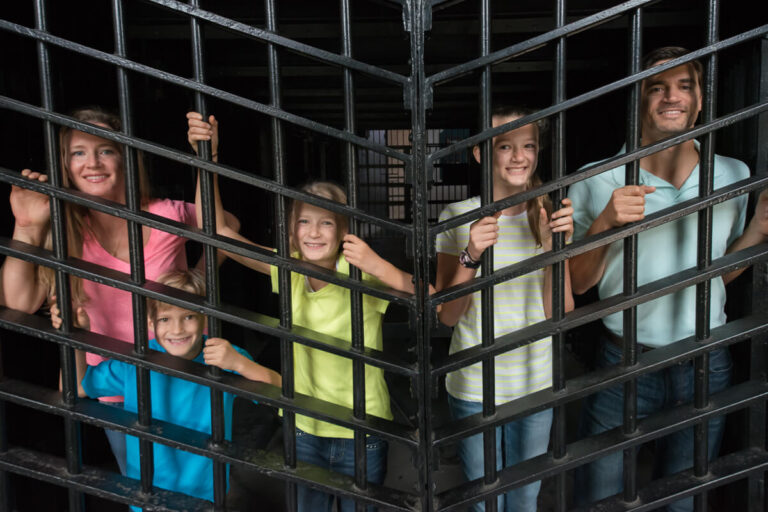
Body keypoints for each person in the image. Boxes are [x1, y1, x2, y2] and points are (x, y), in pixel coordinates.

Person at [186, 111, 433, 512]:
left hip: (362, 428)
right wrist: (205, 158)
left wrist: (377, 266)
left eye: (326, 223)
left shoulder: (360, 276)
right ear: (291, 230)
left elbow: (428, 296)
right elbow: (215, 234)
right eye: (304, 222)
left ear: (343, 231)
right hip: (304, 426)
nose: (315, 232)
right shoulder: (289, 270)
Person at [569, 46, 768, 511]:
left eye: (684, 86)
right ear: (638, 100)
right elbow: (577, 286)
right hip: (625, 360)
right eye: (656, 87)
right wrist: (604, 225)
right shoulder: (597, 180)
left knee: (681, 500)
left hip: (706, 360)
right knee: (600, 496)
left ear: (701, 101)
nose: (671, 97)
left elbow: (723, 273)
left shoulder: (733, 176)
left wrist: (757, 233)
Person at [0, 107, 239, 474]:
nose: (92, 162)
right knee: (143, 483)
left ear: (125, 156)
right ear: (65, 164)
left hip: (183, 373)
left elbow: (224, 229)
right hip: (114, 385)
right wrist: (26, 228)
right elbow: (19, 302)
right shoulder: (66, 227)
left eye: (105, 150)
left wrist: (197, 280)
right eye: (79, 152)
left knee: (202, 485)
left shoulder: (165, 213)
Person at [434, 105, 575, 512]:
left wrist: (552, 250)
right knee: (484, 501)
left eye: (528, 145)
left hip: (534, 381)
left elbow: (561, 311)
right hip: (475, 384)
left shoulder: (552, 214)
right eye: (505, 146)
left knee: (525, 498)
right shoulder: (457, 217)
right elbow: (447, 315)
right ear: (481, 154)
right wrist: (472, 253)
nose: (519, 156)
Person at [51, 269, 281, 510]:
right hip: (148, 497)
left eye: (188, 316)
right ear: (150, 322)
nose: (178, 329)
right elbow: (74, 388)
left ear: (204, 316)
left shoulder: (221, 356)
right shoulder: (136, 362)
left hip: (205, 498)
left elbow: (277, 392)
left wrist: (240, 363)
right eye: (165, 319)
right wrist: (76, 337)